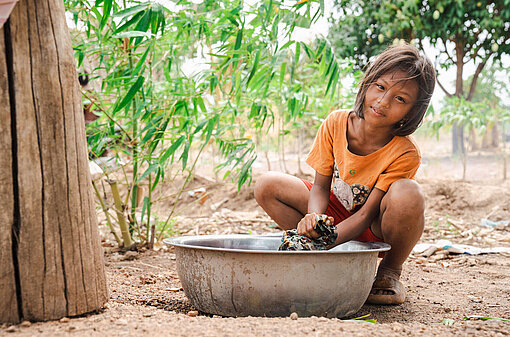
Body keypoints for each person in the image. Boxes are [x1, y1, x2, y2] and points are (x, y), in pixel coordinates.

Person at [254, 43, 436, 305]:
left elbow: (365, 215)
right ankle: (317, 254)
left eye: (400, 99)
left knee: (408, 193)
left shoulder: (405, 152)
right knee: (267, 185)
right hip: (334, 213)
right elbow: (320, 188)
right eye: (381, 87)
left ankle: (388, 273)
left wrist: (330, 238)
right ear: (367, 83)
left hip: (374, 227)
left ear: (412, 111)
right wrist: (314, 220)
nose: (383, 102)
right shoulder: (336, 123)